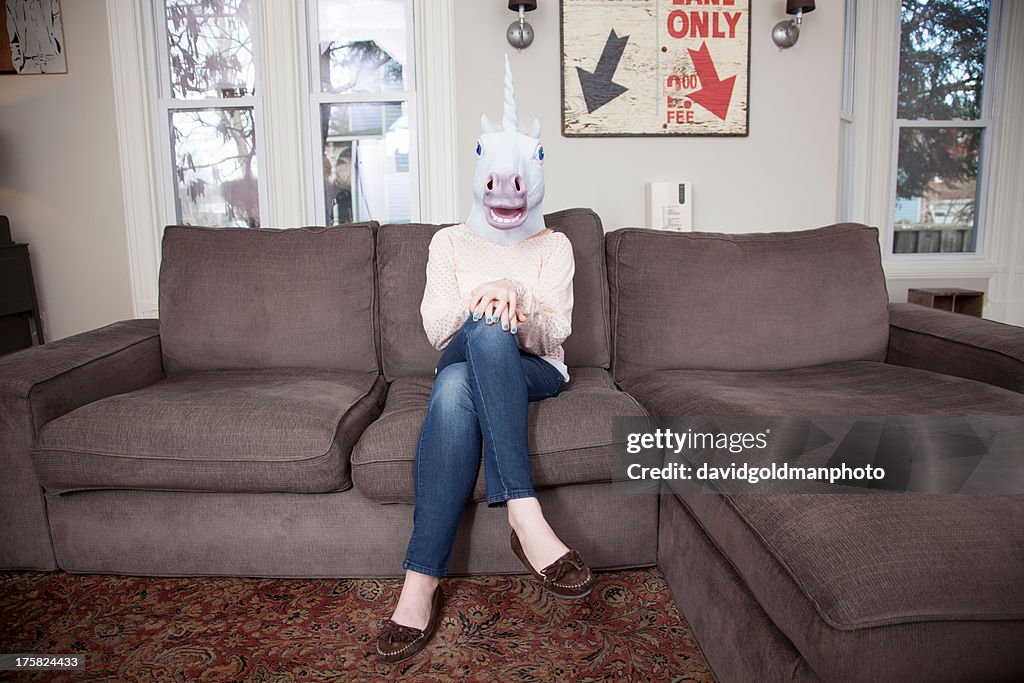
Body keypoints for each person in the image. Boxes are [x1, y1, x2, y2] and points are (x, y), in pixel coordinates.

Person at [375, 56, 592, 664]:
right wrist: (485, 298)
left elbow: (557, 330)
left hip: (536, 368)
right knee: (476, 343)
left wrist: (514, 303)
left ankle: (419, 585)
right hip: (464, 351)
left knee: (458, 386)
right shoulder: (447, 242)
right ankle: (526, 517)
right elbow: (439, 329)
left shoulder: (557, 245)